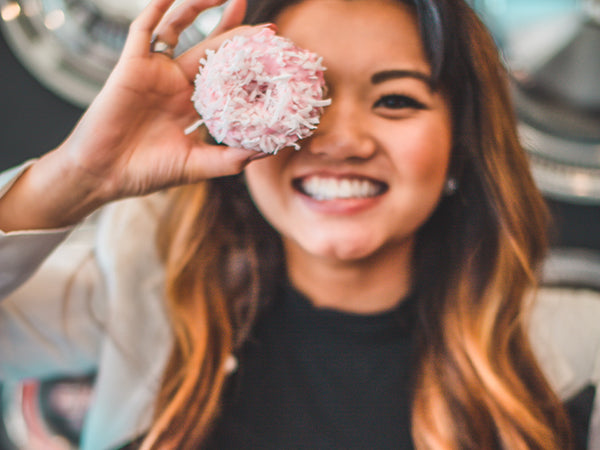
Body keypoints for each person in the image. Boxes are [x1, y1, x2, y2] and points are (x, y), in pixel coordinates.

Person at [0, 0, 599, 448]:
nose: (339, 141)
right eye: (299, 96)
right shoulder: (137, 291)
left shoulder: (582, 350)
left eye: (396, 100)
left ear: (462, 140)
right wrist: (78, 177)